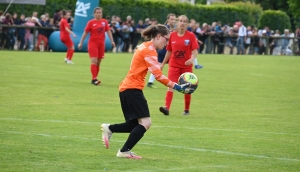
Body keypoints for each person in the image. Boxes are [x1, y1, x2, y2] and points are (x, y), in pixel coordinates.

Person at [100, 24, 193, 159]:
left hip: (127, 88)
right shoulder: (150, 51)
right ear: (158, 36)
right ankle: (124, 151)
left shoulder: (145, 45)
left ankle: (110, 129)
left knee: (135, 124)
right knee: (146, 123)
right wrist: (177, 86)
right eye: (165, 40)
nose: (167, 44)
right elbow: (158, 75)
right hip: (132, 89)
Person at [159, 15, 199, 116]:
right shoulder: (172, 35)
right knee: (170, 86)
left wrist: (192, 59)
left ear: (187, 24)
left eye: (185, 21)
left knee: (188, 88)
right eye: (181, 21)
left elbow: (195, 51)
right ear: (177, 22)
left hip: (186, 67)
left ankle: (186, 110)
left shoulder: (191, 36)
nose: (182, 23)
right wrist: (163, 64)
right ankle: (166, 108)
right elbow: (169, 51)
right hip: (174, 66)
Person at [78, 7, 115, 85]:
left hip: (101, 44)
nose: (99, 14)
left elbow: (108, 31)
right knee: (94, 61)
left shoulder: (104, 22)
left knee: (98, 62)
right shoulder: (90, 22)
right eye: (97, 12)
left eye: (100, 12)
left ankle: (95, 78)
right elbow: (85, 33)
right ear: (94, 14)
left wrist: (112, 41)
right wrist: (81, 42)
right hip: (93, 44)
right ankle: (94, 79)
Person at [147, 13, 176, 88]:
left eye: (174, 19)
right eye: (171, 19)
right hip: (163, 50)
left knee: (163, 65)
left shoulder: (175, 28)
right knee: (160, 65)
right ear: (168, 20)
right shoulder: (165, 28)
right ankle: (151, 82)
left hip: (170, 49)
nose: (173, 21)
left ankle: (150, 82)